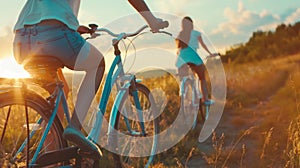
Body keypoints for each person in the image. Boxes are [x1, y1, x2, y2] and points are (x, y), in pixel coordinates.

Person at [13, 0, 167, 155]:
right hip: (54, 34)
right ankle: (75, 126)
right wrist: (152, 21)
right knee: (97, 64)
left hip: (21, 42)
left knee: (60, 94)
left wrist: (72, 26)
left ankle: (50, 159)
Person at [175, 16, 214, 105]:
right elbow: (203, 45)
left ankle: (184, 92)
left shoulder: (180, 34)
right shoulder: (196, 33)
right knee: (202, 78)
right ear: (192, 24)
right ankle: (205, 99)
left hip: (182, 59)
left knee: (183, 79)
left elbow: (178, 50)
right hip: (193, 57)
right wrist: (210, 53)